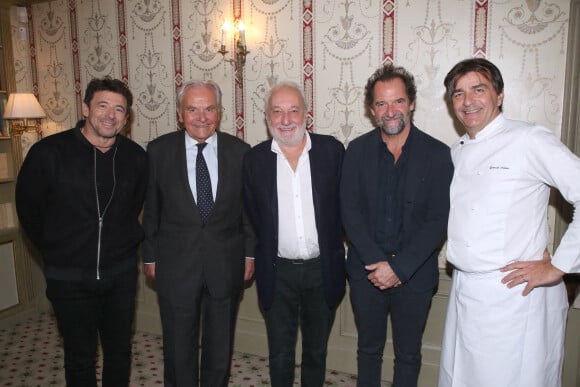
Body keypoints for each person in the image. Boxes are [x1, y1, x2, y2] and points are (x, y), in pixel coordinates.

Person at [439, 58, 580, 387]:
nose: (468, 101)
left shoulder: (529, 139)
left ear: (499, 95)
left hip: (513, 297)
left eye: (479, 89)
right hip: (465, 292)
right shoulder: (457, 151)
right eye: (458, 94)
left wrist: (557, 266)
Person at [15, 77, 148, 387]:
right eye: (102, 105)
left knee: (119, 351)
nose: (110, 115)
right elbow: (29, 211)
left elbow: (135, 206)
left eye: (119, 109)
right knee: (79, 356)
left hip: (120, 276)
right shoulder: (48, 153)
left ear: (126, 118)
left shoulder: (135, 157)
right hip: (69, 278)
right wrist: (57, 251)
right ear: (86, 108)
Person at [340, 64, 453, 387]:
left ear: (412, 103)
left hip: (415, 276)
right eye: (381, 104)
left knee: (408, 354)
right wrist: (378, 263)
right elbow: (350, 212)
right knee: (368, 350)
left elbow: (438, 220)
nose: (390, 111)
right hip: (366, 273)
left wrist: (398, 268)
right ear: (371, 109)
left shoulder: (438, 154)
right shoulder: (357, 151)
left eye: (398, 101)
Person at [142, 80, 255, 387]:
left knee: (220, 349)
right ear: (180, 114)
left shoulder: (240, 152)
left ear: (219, 113)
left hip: (226, 265)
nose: (201, 117)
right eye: (192, 109)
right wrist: (149, 256)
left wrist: (249, 254)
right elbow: (151, 210)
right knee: (179, 350)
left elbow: (249, 212)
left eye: (209, 109)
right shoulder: (158, 151)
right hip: (175, 266)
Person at [243, 81, 346, 386]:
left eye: (293, 111)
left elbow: (347, 207)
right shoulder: (255, 160)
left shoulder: (331, 151)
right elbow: (250, 215)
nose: (286, 120)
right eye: (277, 112)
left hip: (322, 270)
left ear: (306, 114)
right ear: (267, 118)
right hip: (277, 272)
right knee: (280, 353)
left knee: (316, 351)